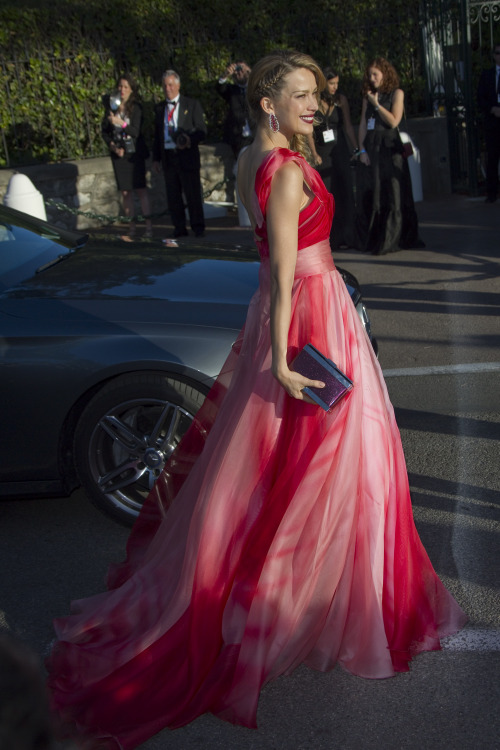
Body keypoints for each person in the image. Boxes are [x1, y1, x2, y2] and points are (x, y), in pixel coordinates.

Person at [46, 49, 466, 749]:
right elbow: (281, 271)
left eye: (315, 96)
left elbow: (270, 265)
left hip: (305, 315)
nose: (314, 106)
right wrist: (279, 354)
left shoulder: (254, 159)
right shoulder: (286, 170)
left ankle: (322, 594)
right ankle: (326, 603)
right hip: (311, 319)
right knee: (344, 462)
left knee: (289, 467)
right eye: (300, 97)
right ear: (268, 103)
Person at [356, 57, 424, 254]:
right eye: (369, 75)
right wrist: (361, 150)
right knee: (374, 191)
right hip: (372, 146)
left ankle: (396, 236)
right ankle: (374, 236)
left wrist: (377, 105)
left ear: (385, 74)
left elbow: (394, 121)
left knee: (394, 192)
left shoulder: (397, 93)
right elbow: (362, 123)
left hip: (389, 146)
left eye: (375, 74)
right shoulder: (367, 96)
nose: (372, 78)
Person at [153, 70, 207, 238]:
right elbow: (157, 135)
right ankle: (179, 227)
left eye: (170, 85)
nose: (167, 89)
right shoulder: (160, 108)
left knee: (192, 194)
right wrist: (156, 158)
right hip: (169, 156)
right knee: (173, 195)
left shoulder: (191, 104)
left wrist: (189, 140)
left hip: (187, 155)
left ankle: (198, 227)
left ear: (178, 85)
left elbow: (202, 130)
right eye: (165, 86)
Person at [308, 68, 358, 248]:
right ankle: (329, 237)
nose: (335, 87)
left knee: (345, 189)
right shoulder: (314, 101)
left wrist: (357, 149)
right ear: (323, 83)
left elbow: (348, 125)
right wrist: (314, 153)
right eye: (331, 83)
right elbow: (309, 130)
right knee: (327, 192)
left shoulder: (340, 100)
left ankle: (348, 234)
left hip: (340, 147)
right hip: (322, 149)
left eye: (337, 83)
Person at [101, 73, 153, 239]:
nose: (122, 90)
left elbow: (135, 131)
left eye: (125, 87)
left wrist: (121, 123)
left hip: (134, 154)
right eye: (120, 86)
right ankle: (131, 227)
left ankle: (149, 226)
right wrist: (113, 146)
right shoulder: (112, 107)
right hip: (119, 155)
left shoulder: (136, 108)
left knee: (141, 190)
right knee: (125, 192)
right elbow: (105, 132)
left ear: (131, 90)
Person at [477, 43, 500, 203]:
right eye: (498, 53)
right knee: (492, 157)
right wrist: (492, 109)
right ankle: (491, 193)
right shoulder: (487, 75)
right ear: (493, 55)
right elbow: (480, 98)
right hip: (493, 121)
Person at [217, 61, 253, 157]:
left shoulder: (256, 88)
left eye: (241, 69)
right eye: (236, 71)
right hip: (240, 138)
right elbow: (220, 88)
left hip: (257, 134)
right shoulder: (231, 90)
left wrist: (250, 71)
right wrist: (225, 74)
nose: (239, 73)